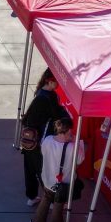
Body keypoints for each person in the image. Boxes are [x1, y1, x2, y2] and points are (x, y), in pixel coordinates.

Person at [31, 117, 84, 222]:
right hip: (63, 183)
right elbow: (80, 160)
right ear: (67, 131)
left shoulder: (48, 140)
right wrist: (78, 141)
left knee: (46, 198)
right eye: (71, 131)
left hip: (47, 178)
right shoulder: (72, 147)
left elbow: (43, 153)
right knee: (58, 204)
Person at [21, 69, 67, 207]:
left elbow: (28, 119)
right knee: (44, 171)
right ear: (49, 80)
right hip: (40, 142)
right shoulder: (48, 97)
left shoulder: (40, 92)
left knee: (30, 169)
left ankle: (32, 197)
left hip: (29, 140)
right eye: (56, 82)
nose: (58, 85)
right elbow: (57, 117)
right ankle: (51, 200)